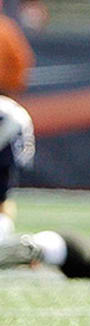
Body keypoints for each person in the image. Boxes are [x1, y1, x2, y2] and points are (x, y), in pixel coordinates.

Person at [0, 96, 34, 240]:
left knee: (3, 198)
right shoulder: (10, 109)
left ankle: (4, 233)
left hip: (6, 151)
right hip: (8, 153)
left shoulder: (9, 113)